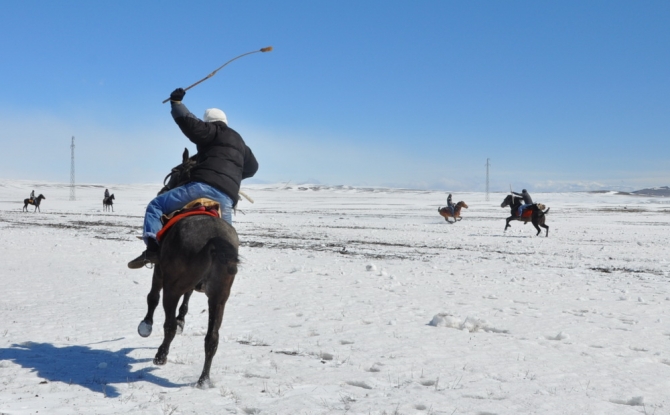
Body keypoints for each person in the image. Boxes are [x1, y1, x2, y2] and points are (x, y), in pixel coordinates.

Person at [128, 87, 258, 269]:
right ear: (225, 121)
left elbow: (191, 125)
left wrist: (176, 103)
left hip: (202, 186)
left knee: (155, 206)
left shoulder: (213, 130)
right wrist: (232, 177)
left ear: (210, 121)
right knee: (228, 245)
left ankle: (152, 250)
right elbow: (253, 168)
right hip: (227, 198)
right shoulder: (241, 143)